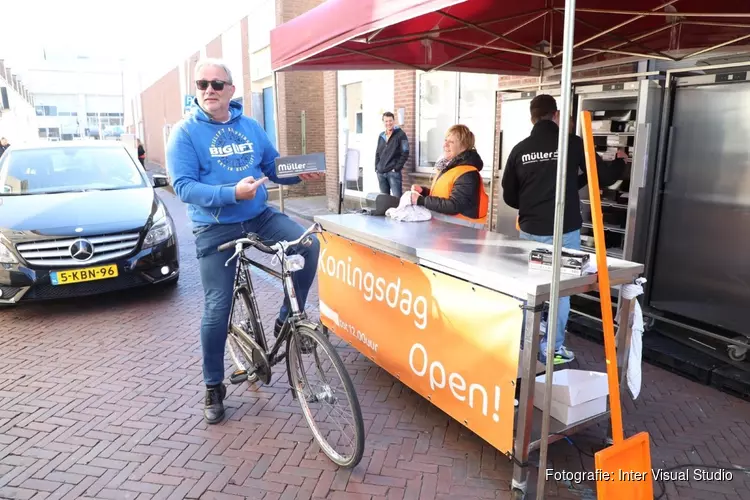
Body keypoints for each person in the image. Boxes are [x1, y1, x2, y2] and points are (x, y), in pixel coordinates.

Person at [166, 58, 324, 424]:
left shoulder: (250, 126)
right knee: (218, 308)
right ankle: (213, 385)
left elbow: (272, 168)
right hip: (215, 226)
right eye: (202, 84)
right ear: (196, 89)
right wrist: (229, 193)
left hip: (258, 215)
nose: (209, 90)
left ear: (231, 90)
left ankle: (286, 317)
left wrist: (301, 174)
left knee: (308, 245)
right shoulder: (185, 133)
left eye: (217, 84)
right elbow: (184, 187)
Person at [501, 93, 626, 365]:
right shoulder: (572, 143)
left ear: (532, 117)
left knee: (529, 288)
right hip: (564, 231)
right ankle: (552, 349)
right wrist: (619, 160)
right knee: (560, 289)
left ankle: (523, 345)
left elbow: (509, 196)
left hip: (530, 231)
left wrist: (533, 200)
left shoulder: (520, 149)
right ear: (555, 115)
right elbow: (601, 177)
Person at [409, 125, 489, 225]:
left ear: (463, 147)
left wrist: (422, 200)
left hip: (462, 232)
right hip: (447, 228)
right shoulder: (449, 167)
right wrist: (424, 192)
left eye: (451, 142)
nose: (445, 145)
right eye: (445, 140)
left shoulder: (468, 174)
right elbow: (445, 195)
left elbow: (454, 206)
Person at [375, 111, 409, 197]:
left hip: (393, 173)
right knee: (384, 200)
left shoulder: (401, 134)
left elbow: (405, 152)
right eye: (386, 121)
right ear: (383, 122)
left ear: (394, 121)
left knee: (396, 199)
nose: (388, 123)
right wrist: (377, 167)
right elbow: (377, 153)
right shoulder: (381, 136)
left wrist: (396, 168)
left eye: (390, 120)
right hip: (381, 173)